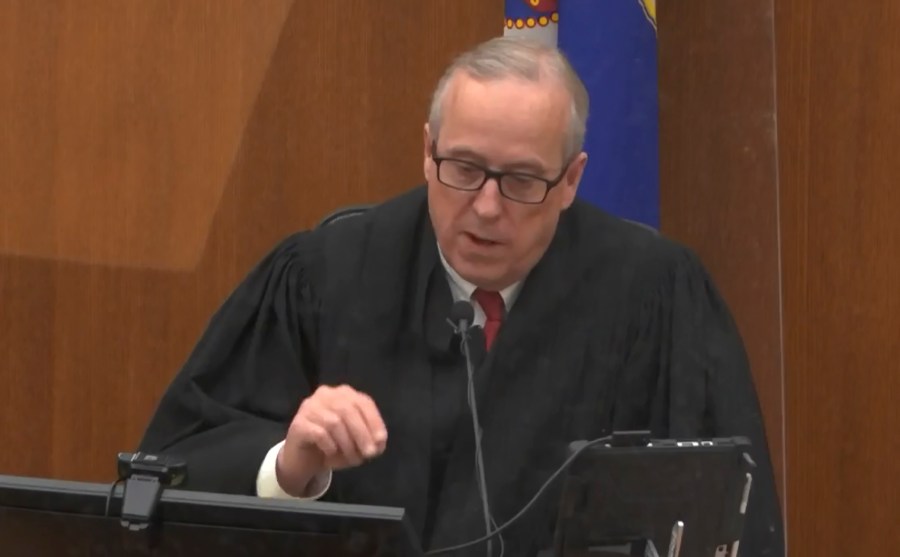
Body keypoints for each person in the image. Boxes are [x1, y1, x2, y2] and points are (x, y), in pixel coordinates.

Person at [139, 36, 785, 556]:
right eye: (465, 168)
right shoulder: (325, 275)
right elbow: (169, 471)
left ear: (572, 180)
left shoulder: (655, 296)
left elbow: (728, 512)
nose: (485, 207)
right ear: (427, 152)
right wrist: (288, 465)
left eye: (523, 180)